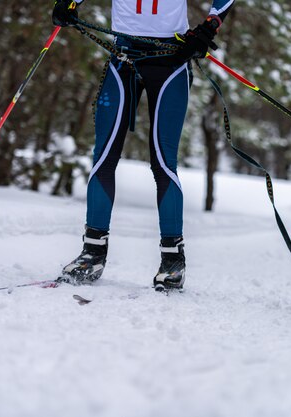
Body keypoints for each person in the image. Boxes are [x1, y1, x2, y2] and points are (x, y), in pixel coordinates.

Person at [52, 0, 235, 290]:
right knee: (103, 157)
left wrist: (210, 26)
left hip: (171, 60)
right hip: (123, 56)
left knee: (163, 163)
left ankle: (173, 261)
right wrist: (70, 3)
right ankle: (92, 254)